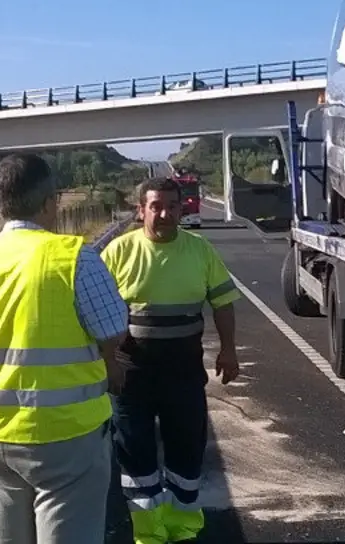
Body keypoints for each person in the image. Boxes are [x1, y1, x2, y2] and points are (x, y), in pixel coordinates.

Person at [0, 153, 128, 544]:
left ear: (0, 203)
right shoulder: (74, 257)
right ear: (47, 203)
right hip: (66, 437)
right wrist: (110, 366)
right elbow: (113, 330)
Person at [99, 177, 242, 544]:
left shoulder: (200, 250)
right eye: (156, 206)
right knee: (135, 454)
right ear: (141, 210)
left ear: (182, 209)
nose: (164, 214)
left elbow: (222, 303)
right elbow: (96, 313)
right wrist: (107, 365)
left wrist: (229, 349)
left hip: (183, 372)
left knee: (186, 451)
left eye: (172, 207)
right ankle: (150, 532)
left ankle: (183, 528)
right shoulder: (117, 252)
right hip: (132, 373)